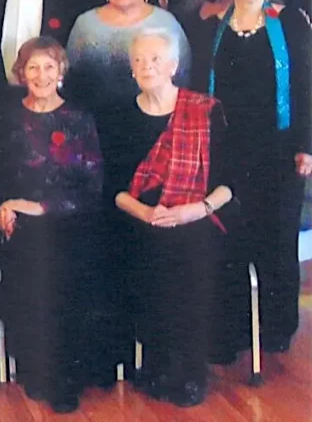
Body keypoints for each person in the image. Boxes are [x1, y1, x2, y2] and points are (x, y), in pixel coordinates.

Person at [190, 0, 312, 355]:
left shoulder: (290, 22)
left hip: (280, 151)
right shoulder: (212, 27)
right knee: (229, 240)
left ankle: (276, 331)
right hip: (225, 150)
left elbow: (307, 86)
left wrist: (306, 146)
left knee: (276, 240)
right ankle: (234, 330)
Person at [110, 31, 234, 407]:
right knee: (144, 260)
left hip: (197, 218)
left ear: (174, 66)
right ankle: (157, 365)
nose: (147, 67)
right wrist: (147, 213)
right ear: (131, 69)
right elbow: (114, 190)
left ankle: (189, 371)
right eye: (139, 61)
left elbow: (230, 183)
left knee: (188, 259)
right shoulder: (121, 116)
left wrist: (196, 210)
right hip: (141, 220)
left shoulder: (205, 109)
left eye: (156, 60)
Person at [0, 37, 103, 413]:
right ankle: (36, 367)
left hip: (72, 219)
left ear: (61, 72)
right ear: (21, 73)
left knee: (63, 270)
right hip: (21, 223)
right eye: (33, 68)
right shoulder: (7, 118)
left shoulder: (79, 118)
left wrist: (37, 206)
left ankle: (64, 374)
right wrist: (3, 211)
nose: (41, 75)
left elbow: (92, 186)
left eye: (49, 67)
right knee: (29, 268)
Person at [65, 0, 189, 119]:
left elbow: (182, 78)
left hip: (156, 121)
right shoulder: (85, 25)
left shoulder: (167, 24)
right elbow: (71, 80)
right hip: (94, 122)